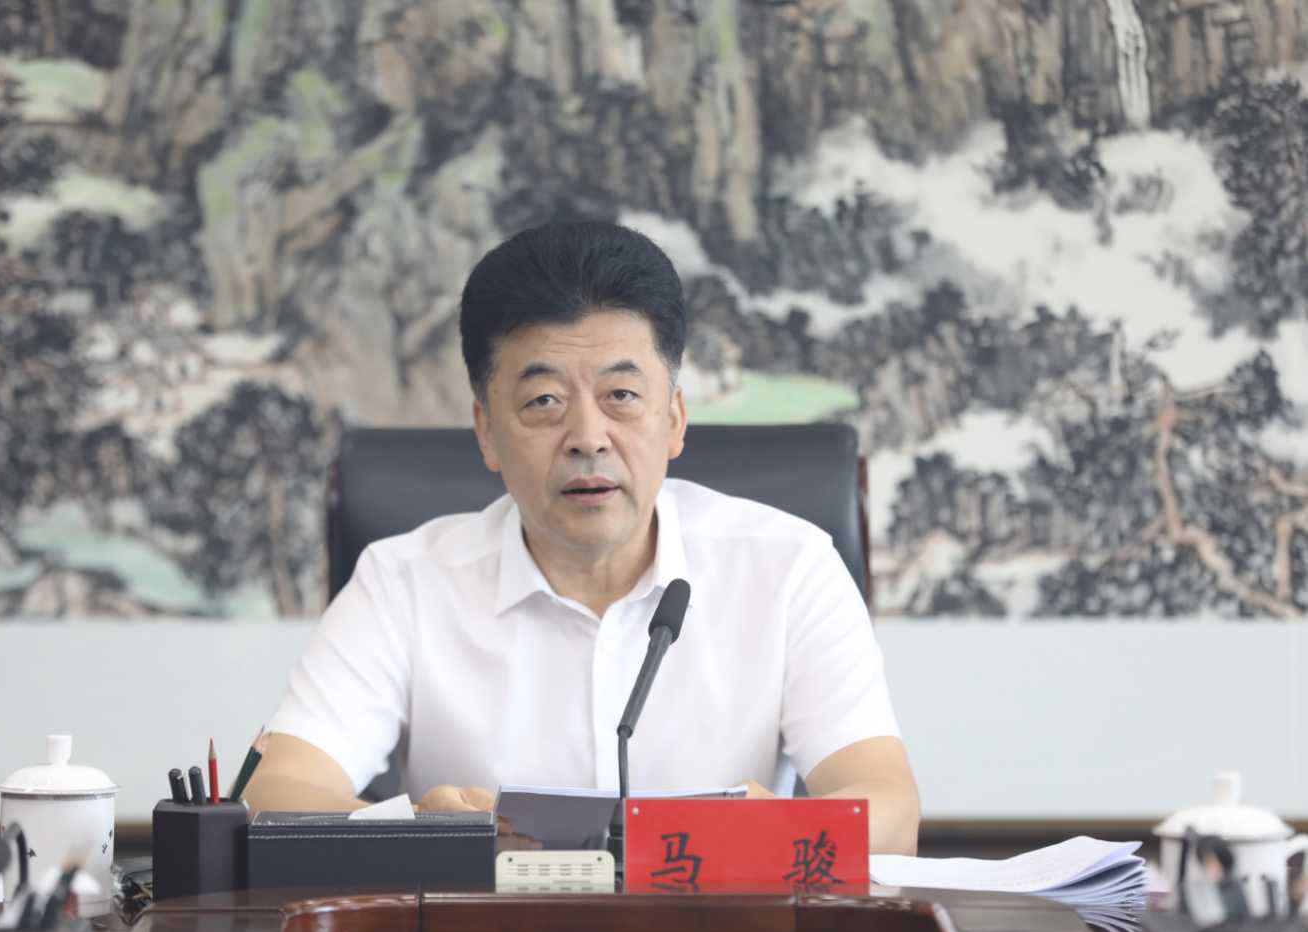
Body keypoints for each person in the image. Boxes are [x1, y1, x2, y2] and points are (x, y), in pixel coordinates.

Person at [245, 220, 920, 854]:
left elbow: (890, 813)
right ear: (486, 432)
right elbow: (277, 793)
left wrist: (766, 835)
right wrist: (433, 840)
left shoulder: (789, 568)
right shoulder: (403, 583)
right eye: (544, 402)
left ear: (674, 419)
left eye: (621, 396)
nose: (589, 438)